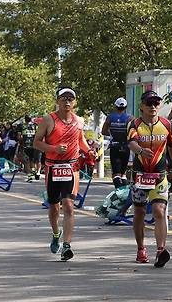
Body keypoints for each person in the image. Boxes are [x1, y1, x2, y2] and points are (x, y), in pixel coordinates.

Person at [33, 87, 93, 262]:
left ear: (75, 102)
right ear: (57, 101)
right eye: (63, 98)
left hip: (71, 167)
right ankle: (55, 233)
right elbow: (36, 143)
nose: (67, 102)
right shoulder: (48, 120)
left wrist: (89, 151)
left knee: (68, 205)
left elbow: (80, 140)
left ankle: (66, 245)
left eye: (70, 99)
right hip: (52, 167)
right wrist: (54, 149)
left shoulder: (78, 121)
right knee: (54, 208)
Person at [127, 91, 172, 268]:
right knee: (140, 212)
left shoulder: (166, 124)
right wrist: (141, 151)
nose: (153, 107)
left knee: (159, 210)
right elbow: (132, 143)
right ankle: (141, 248)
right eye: (149, 103)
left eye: (156, 103)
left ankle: (160, 250)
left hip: (160, 175)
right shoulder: (134, 124)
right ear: (142, 106)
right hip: (140, 175)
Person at [101, 97, 133, 188]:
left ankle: (119, 192)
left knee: (116, 173)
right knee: (123, 173)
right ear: (125, 107)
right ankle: (124, 192)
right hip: (126, 147)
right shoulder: (130, 118)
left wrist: (112, 134)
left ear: (115, 106)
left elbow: (104, 131)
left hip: (114, 146)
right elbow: (133, 133)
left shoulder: (110, 117)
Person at [19, 115, 40, 182]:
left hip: (25, 146)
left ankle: (30, 176)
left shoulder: (21, 126)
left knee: (27, 162)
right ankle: (34, 172)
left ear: (25, 120)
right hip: (34, 146)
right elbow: (38, 135)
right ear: (31, 119)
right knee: (32, 161)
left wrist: (20, 143)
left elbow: (19, 137)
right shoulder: (35, 125)